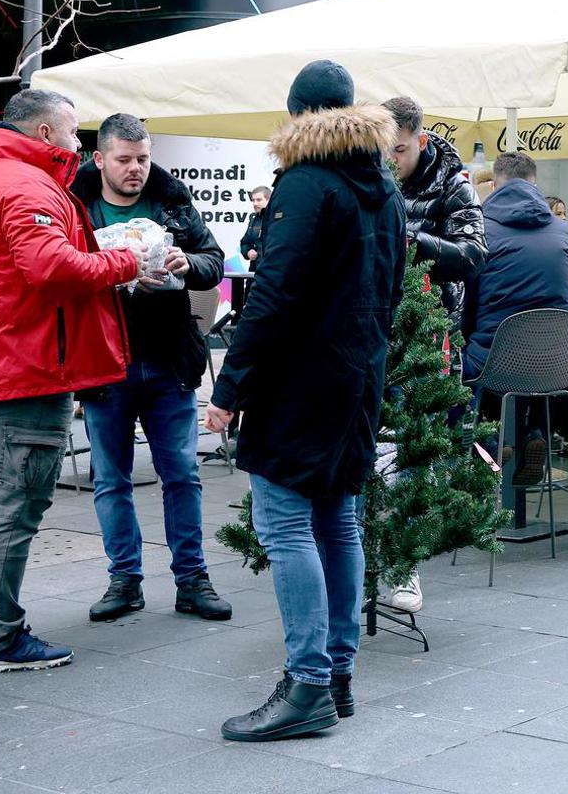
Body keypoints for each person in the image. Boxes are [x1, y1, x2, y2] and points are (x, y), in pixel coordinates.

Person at [206, 61, 406, 740]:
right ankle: (337, 674)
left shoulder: (306, 182)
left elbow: (273, 293)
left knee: (289, 526)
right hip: (357, 380)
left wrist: (229, 388)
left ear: (297, 116)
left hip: (301, 383)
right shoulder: (381, 186)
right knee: (338, 523)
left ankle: (309, 685)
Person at [0, 89, 141, 674]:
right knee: (15, 502)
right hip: (22, 370)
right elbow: (50, 267)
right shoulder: (26, 185)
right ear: (45, 134)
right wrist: (127, 263)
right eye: (74, 134)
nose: (79, 145)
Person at [70, 114, 230, 624]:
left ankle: (192, 579)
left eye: (143, 158)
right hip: (103, 357)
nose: (136, 168)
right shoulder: (75, 203)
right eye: (125, 159)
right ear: (100, 159)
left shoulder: (172, 200)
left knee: (182, 474)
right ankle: (125, 580)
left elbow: (213, 259)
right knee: (110, 478)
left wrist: (190, 265)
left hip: (167, 358)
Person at [462, 151, 568, 486]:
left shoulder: (480, 230)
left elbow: (466, 307)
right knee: (528, 368)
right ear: (534, 182)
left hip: (495, 361)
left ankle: (488, 446)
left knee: (453, 374)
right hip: (558, 361)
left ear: (496, 184)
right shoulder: (565, 232)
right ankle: (534, 433)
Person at [382, 97, 486, 323]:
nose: (390, 159)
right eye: (383, 149)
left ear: (421, 141)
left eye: (399, 149)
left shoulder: (454, 186)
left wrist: (412, 241)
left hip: (435, 329)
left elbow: (473, 257)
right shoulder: (372, 182)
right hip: (382, 323)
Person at [240, 185, 271, 271]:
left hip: (272, 273)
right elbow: (245, 243)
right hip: (255, 272)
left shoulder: (277, 220)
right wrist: (248, 252)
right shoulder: (254, 220)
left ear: (269, 200)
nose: (255, 203)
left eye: (259, 200)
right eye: (253, 200)